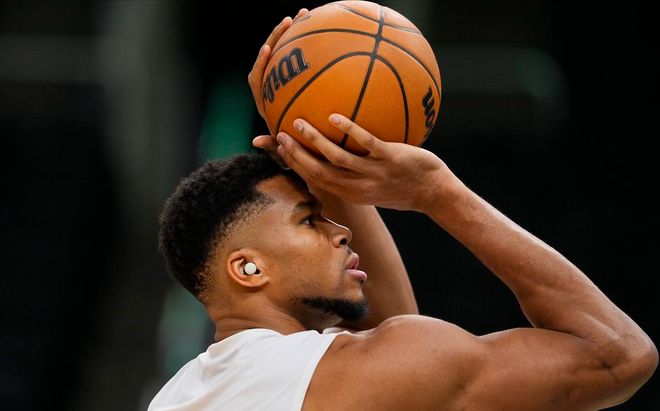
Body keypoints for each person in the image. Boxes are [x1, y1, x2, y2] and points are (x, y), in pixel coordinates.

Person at [149, 10, 657, 411]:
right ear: (247, 268)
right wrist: (438, 192)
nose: (341, 231)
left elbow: (395, 333)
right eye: (309, 219)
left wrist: (321, 159)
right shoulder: (368, 372)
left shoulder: (177, 395)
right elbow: (616, 355)